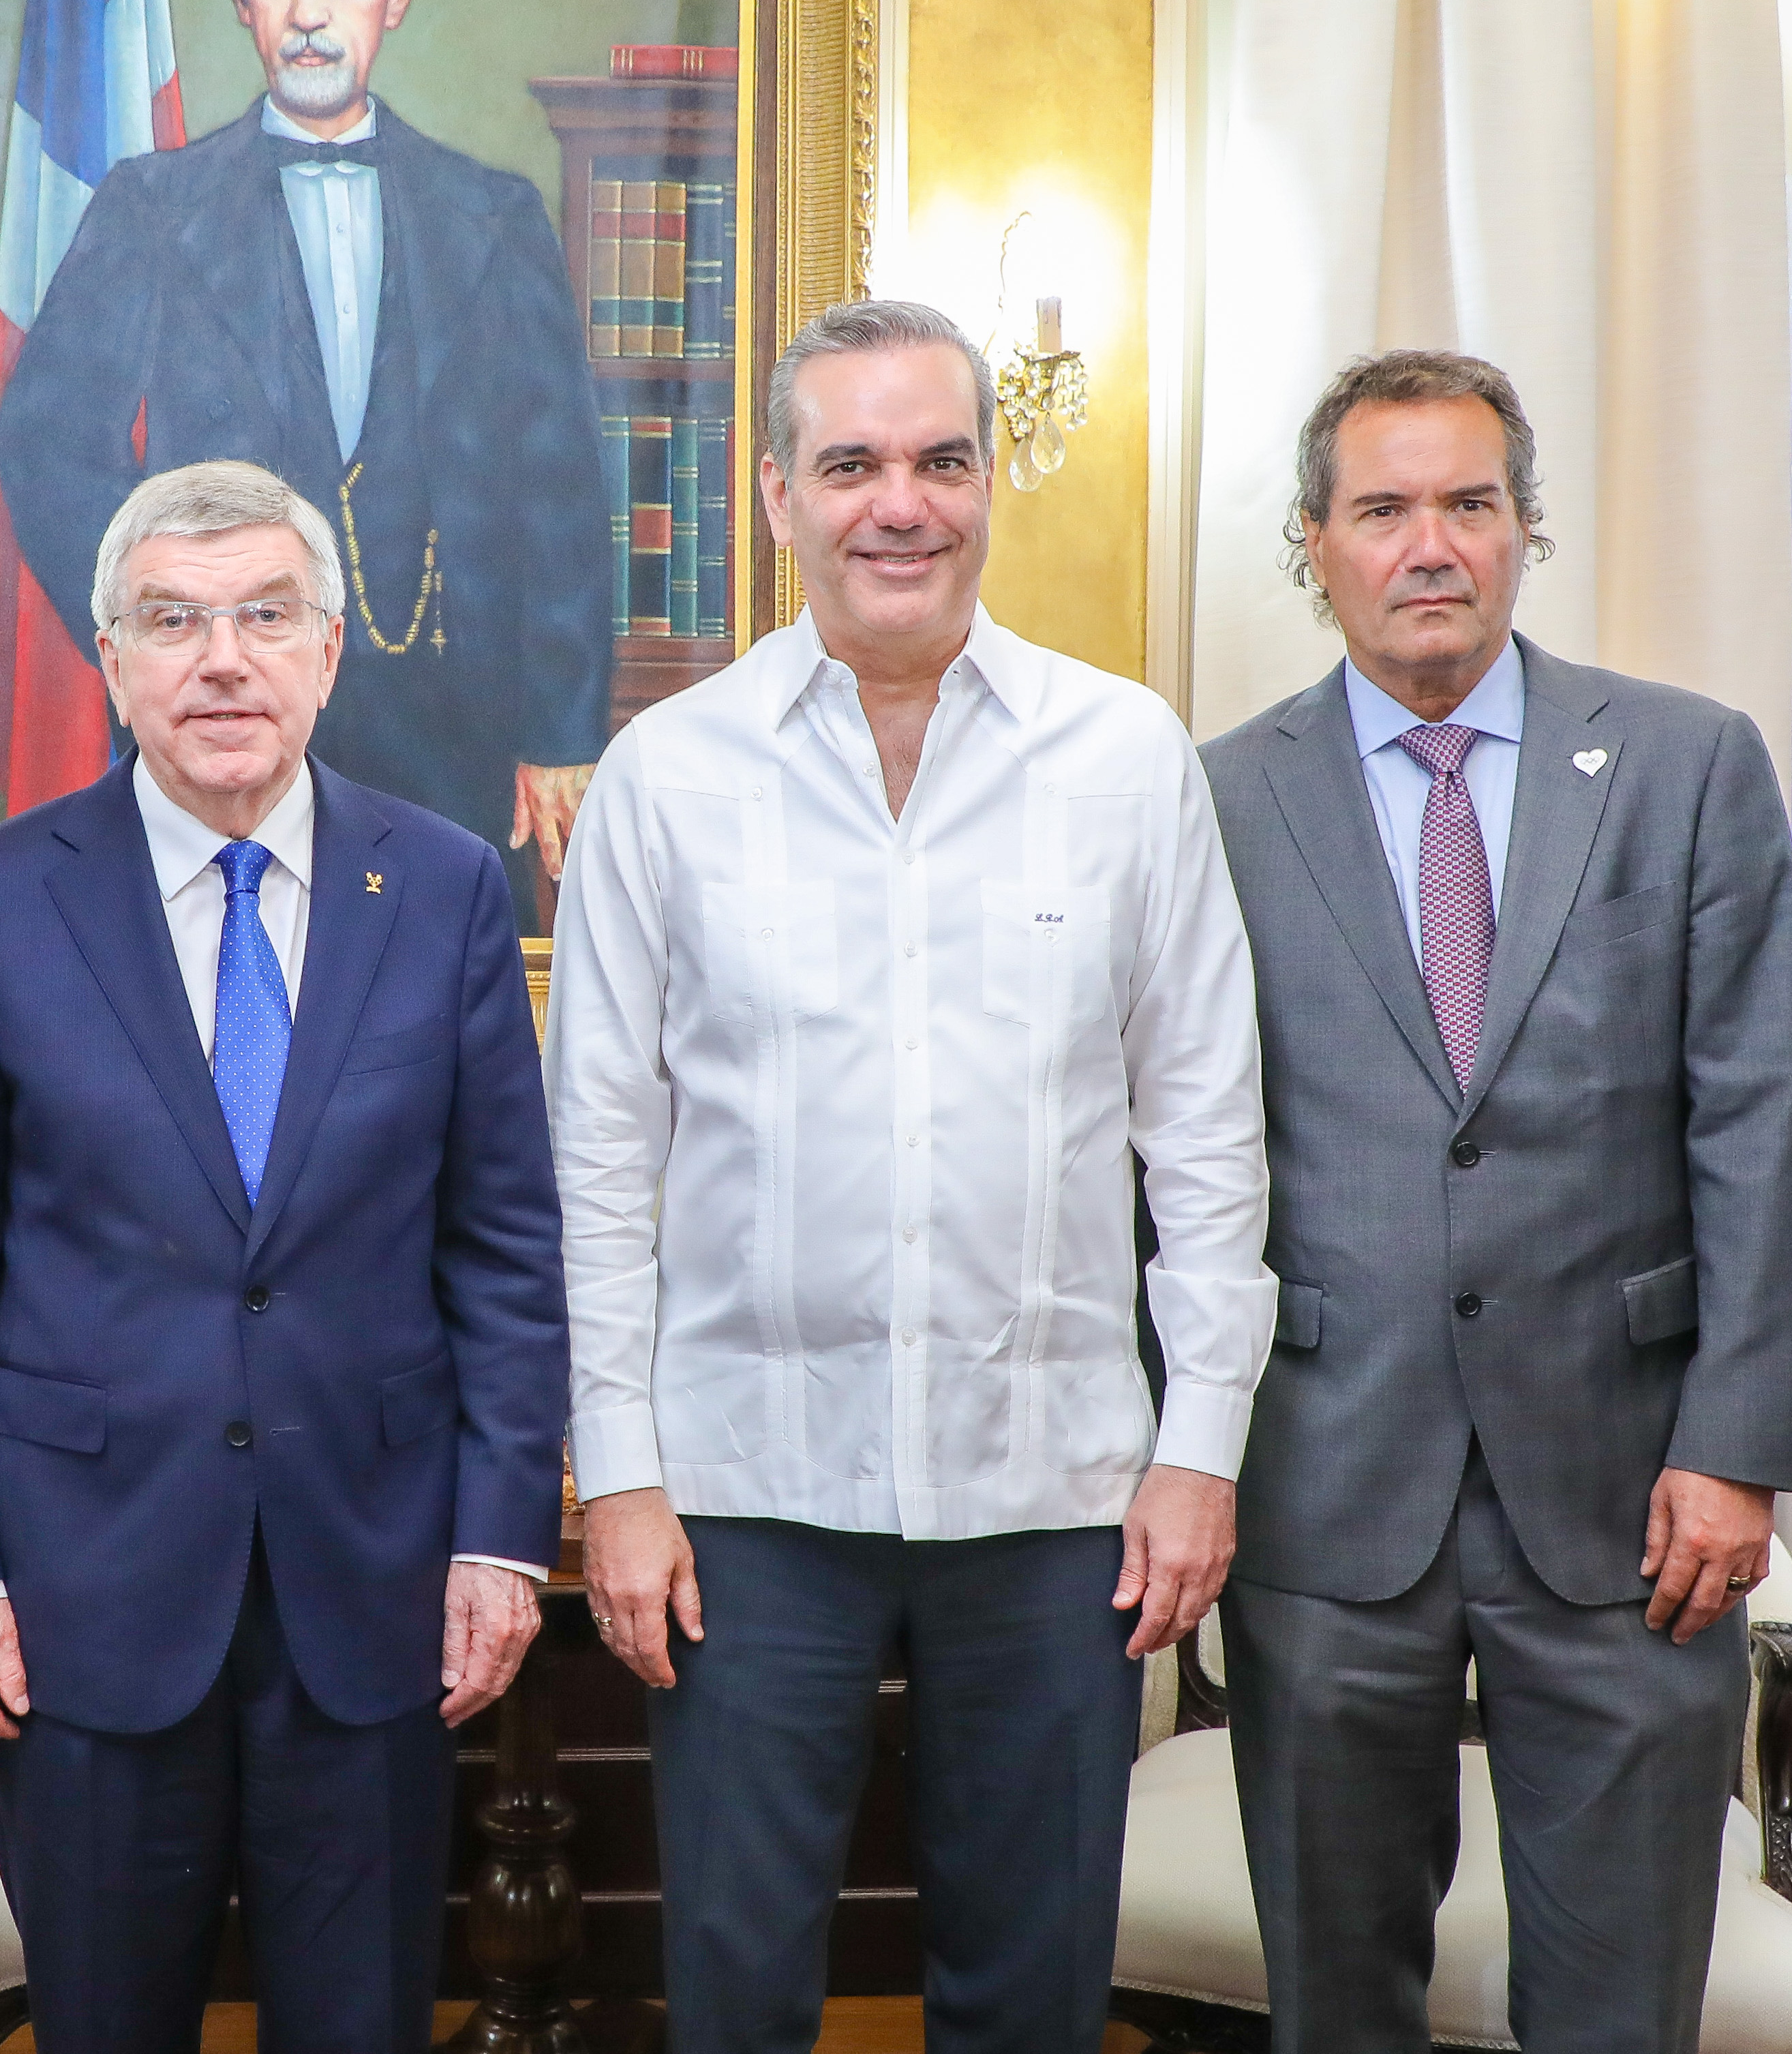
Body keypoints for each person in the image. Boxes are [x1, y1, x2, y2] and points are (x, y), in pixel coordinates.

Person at [545, 299, 1277, 2053]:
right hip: (746, 1491)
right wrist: (618, 1476)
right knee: (735, 1985)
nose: (902, 503)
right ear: (776, 493)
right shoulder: (666, 776)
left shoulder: (1123, 756)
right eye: (853, 463)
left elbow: (1204, 1134)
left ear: (989, 480)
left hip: (1053, 1492)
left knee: (1029, 1988)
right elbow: (600, 1156)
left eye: (943, 459)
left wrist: (1200, 1448)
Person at [0, 459, 571, 2054]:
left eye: (265, 615)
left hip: (376, 1589)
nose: (223, 660)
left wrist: (497, 1538)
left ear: (329, 648)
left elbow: (504, 1251)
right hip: (80, 1596)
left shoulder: (445, 885)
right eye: (174, 621)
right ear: (109, 658)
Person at [1200, 350, 1792, 2054]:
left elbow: (1767, 1119)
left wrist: (1737, 1445)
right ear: (1313, 542)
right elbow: (1171, 1148)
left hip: (1636, 1500)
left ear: (1524, 529)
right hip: (1322, 1484)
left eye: (1468, 503)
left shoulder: (1687, 763)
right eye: (1382, 507)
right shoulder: (1215, 797)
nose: (1429, 543)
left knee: (1620, 1998)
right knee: (1335, 1999)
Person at [0, 0, 611, 911]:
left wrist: (558, 728)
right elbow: (45, 442)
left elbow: (558, 486)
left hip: (453, 722)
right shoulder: (151, 206)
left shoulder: (495, 214)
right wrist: (164, 624)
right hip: (225, 706)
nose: (312, 12)